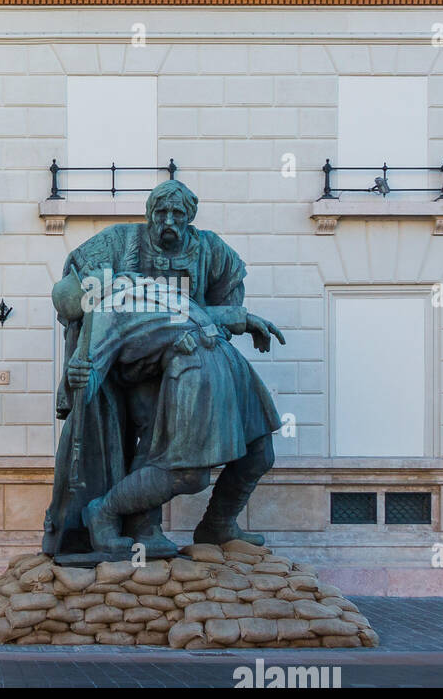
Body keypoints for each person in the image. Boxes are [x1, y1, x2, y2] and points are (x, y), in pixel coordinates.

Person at [43, 180, 285, 558]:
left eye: (177, 214)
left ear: (190, 217)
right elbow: (87, 328)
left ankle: (218, 523)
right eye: (161, 213)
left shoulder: (209, 252)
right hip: (154, 366)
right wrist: (81, 369)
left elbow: (209, 308)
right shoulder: (114, 270)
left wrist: (236, 316)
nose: (168, 221)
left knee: (260, 451)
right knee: (164, 446)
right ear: (149, 214)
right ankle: (135, 525)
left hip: (211, 353)